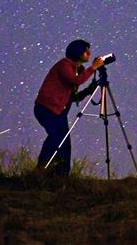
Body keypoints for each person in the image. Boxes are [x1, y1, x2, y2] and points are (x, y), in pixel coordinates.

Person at [34, 39, 104, 176]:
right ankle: (41, 169)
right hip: (46, 109)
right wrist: (93, 68)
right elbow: (75, 81)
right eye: (86, 51)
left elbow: (71, 96)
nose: (89, 54)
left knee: (65, 144)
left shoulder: (78, 70)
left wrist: (89, 90)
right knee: (56, 138)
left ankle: (62, 175)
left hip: (58, 112)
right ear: (78, 52)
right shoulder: (64, 65)